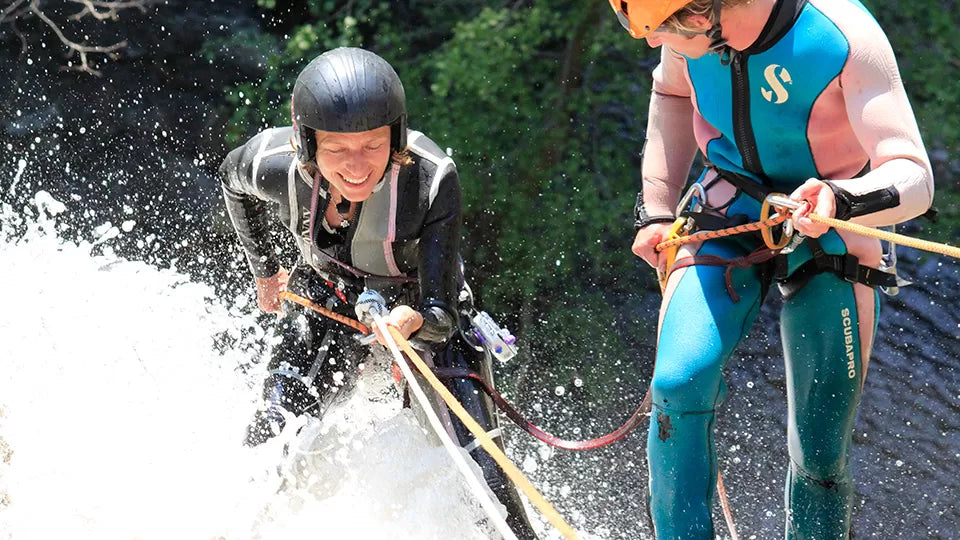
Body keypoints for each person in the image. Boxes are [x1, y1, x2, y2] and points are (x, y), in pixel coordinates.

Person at [606, 0, 934, 538]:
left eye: (651, 28)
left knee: (821, 446)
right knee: (679, 383)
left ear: (697, 17)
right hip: (727, 205)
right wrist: (658, 209)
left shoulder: (842, 36)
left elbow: (915, 178)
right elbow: (669, 93)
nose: (646, 42)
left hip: (831, 221)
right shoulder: (685, 38)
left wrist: (838, 198)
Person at [218, 47, 536, 539]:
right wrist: (265, 270)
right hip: (328, 302)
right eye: (337, 148)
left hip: (426, 310)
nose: (357, 165)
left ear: (396, 136)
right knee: (271, 439)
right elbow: (230, 182)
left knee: (484, 474)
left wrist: (413, 321)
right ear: (307, 143)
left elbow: (441, 311)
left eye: (372, 145)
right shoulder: (272, 164)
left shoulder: (431, 180)